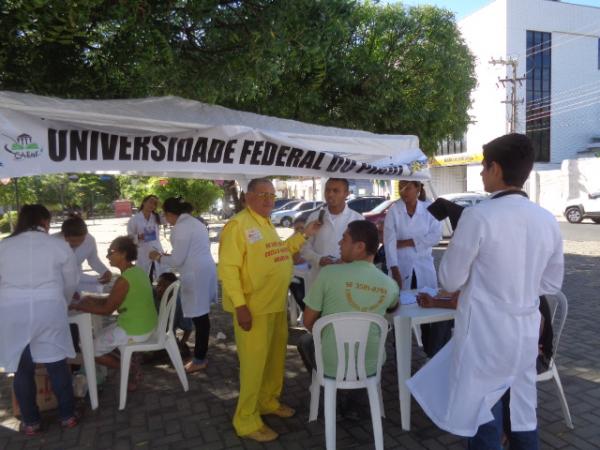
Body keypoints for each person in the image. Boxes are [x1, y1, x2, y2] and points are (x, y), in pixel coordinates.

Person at [406, 133, 564, 450]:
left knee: (482, 416)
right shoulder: (547, 220)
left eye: (482, 166)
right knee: (523, 412)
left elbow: (450, 279)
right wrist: (516, 286)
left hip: (484, 336)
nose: (480, 173)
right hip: (523, 335)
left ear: (494, 168)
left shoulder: (479, 216)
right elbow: (550, 285)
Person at [218, 178, 321, 443]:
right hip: (252, 309)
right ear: (247, 196)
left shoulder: (265, 224)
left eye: (272, 196)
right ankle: (246, 419)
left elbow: (280, 253)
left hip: (274, 305)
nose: (268, 200)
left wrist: (304, 235)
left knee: (275, 361)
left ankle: (268, 401)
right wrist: (240, 306)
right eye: (262, 194)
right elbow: (228, 270)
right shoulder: (238, 225)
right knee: (253, 367)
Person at [0, 205, 80, 435]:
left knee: (22, 368)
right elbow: (71, 281)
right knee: (56, 364)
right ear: (45, 222)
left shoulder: (4, 246)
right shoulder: (58, 245)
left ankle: (31, 422)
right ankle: (67, 416)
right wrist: (62, 302)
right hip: (49, 308)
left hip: (12, 310)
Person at [298, 220, 399, 376]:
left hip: (332, 364)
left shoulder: (328, 273)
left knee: (305, 341)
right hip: (371, 365)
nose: (339, 243)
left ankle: (327, 388)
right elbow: (394, 307)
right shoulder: (390, 285)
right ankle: (357, 392)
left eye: (344, 239)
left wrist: (329, 334)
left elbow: (308, 322)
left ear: (360, 247)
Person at [71, 236, 157, 390]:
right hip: (144, 324)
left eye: (111, 252)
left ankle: (129, 368)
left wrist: (79, 306)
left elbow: (107, 310)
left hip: (136, 329)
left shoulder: (124, 280)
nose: (107, 256)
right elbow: (112, 301)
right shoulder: (137, 272)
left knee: (89, 349)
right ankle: (129, 364)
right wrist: (90, 299)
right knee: (99, 337)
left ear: (123, 254)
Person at [149, 197, 217, 373]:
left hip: (195, 274)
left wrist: (158, 257)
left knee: (200, 318)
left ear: (171, 214)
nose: (166, 220)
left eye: (166, 215)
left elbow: (178, 260)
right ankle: (200, 355)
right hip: (204, 269)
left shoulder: (180, 228)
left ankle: (200, 358)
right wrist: (167, 256)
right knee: (202, 316)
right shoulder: (195, 222)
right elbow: (186, 253)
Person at [383, 180, 447, 357]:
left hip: (423, 264)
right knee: (400, 308)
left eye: (408, 187)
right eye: (400, 187)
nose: (403, 191)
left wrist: (410, 242)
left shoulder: (428, 209)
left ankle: (429, 347)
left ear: (418, 188)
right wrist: (394, 268)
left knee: (427, 304)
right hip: (401, 265)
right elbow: (389, 241)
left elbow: (436, 235)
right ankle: (400, 345)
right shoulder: (395, 210)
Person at [301, 178, 363, 291]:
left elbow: (363, 253)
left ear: (346, 194)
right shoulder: (315, 217)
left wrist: (345, 262)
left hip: (347, 283)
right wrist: (318, 259)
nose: (330, 194)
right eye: (327, 190)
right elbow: (304, 247)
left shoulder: (358, 219)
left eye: (335, 191)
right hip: (318, 281)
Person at [56, 216, 112, 286]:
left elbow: (93, 260)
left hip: (78, 278)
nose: (77, 244)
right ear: (63, 235)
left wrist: (105, 271)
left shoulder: (90, 240)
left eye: (81, 240)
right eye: (72, 241)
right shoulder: (53, 241)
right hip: (56, 280)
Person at [155, 272, 193, 358]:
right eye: (158, 285)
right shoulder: (152, 295)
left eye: (165, 286)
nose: (160, 289)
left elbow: (188, 328)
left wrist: (181, 344)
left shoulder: (180, 303)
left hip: (166, 337)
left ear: (173, 289)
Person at [127, 195, 164, 281]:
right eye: (150, 202)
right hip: (143, 253)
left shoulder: (157, 217)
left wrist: (162, 205)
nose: (152, 205)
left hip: (157, 250)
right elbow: (129, 238)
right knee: (145, 279)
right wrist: (138, 237)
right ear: (144, 202)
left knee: (161, 277)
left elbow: (169, 217)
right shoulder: (134, 220)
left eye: (155, 203)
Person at [289, 217, 309, 311]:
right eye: (297, 228)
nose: (299, 230)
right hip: (296, 275)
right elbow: (295, 260)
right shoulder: (291, 241)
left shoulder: (312, 240)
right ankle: (304, 309)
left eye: (302, 228)